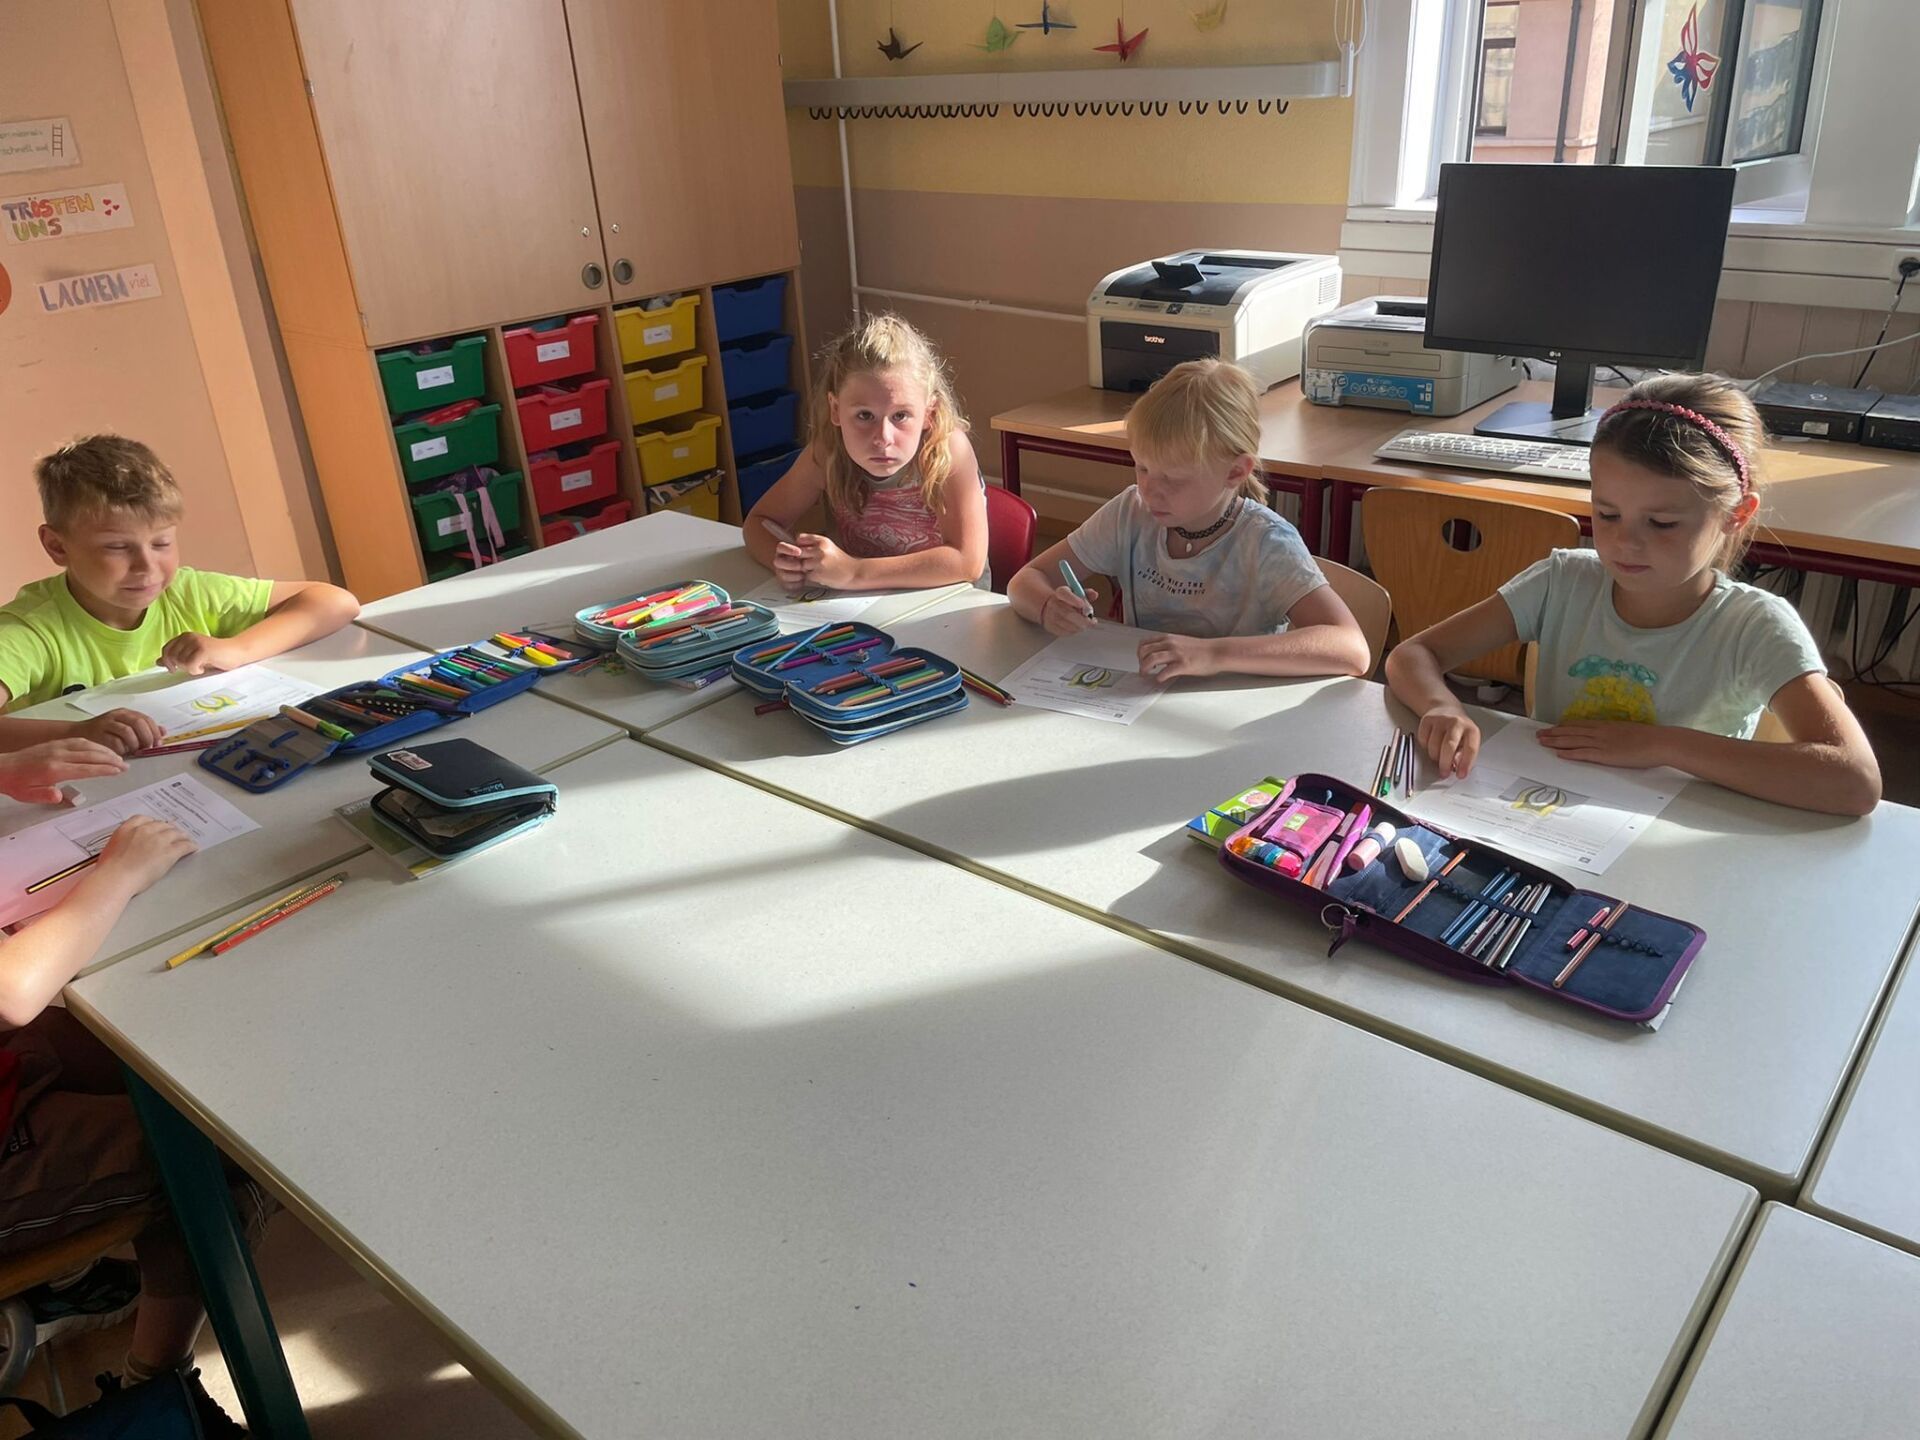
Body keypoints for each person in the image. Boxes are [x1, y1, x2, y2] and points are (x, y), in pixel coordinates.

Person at [1385, 373, 1880, 816]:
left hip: (1672, 836)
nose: (1625, 543)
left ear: (1736, 514)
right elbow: (1413, 655)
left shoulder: (1755, 626)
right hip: (1544, 813)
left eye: (1661, 523)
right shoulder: (1563, 581)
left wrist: (1663, 745)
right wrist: (1441, 706)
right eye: (1607, 514)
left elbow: (1855, 780)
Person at [1008, 358, 1370, 682]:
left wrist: (1212, 654)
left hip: (1230, 709)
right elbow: (1026, 579)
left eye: (1174, 479)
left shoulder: (1265, 543)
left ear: (1235, 472)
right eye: (1142, 467)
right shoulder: (1130, 512)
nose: (1150, 490)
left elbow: (1350, 648)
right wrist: (1047, 606)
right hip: (1142, 698)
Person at [0, 435, 361, 752]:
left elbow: (335, 602)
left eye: (161, 543)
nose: (147, 566)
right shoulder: (29, 628)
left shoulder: (186, 592)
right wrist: (76, 733)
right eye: (116, 547)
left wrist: (236, 649)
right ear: (57, 546)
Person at [744, 314, 988, 591]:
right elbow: (758, 523)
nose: (883, 438)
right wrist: (782, 561)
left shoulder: (947, 450)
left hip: (949, 604)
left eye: (900, 416)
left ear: (929, 414)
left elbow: (967, 562)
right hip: (861, 602)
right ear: (836, 410)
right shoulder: (828, 451)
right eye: (864, 415)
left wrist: (855, 572)